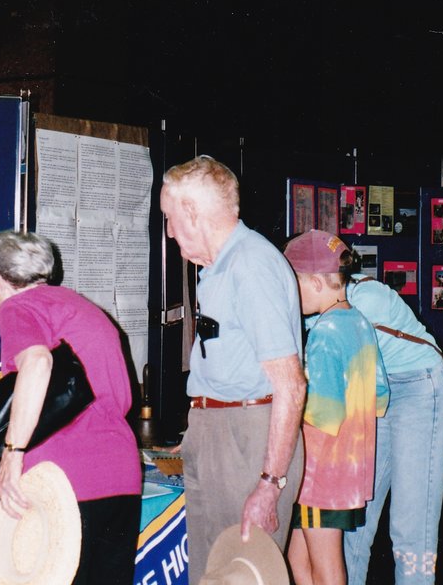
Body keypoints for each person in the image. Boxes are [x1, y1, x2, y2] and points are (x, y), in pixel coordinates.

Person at [160, 155, 306, 583]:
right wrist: (199, 433)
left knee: (241, 575)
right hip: (218, 431)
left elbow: (291, 387)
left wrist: (269, 482)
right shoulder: (218, 268)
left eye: (170, 217)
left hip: (249, 439)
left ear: (191, 212)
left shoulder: (250, 265)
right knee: (211, 576)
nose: (168, 231)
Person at [0, 230, 142, 585]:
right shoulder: (81, 308)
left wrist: (13, 450)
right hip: (120, 474)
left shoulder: (18, 307)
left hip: (64, 482)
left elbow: (37, 364)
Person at [342, 261, 443, 584]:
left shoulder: (365, 299)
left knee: (411, 528)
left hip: (420, 390)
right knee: (354, 520)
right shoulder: (320, 307)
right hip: (378, 393)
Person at [283, 230, 389, 585]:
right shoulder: (359, 322)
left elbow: (323, 415)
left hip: (320, 473)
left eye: (292, 283)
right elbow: (381, 395)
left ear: (314, 282)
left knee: (327, 569)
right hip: (349, 469)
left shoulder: (324, 333)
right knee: (298, 560)